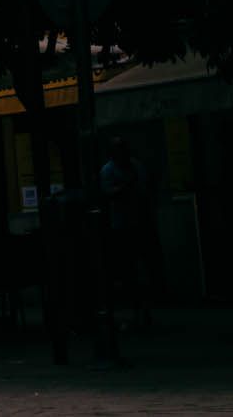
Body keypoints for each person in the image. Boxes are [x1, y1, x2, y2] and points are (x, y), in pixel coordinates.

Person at [99, 137, 153, 330]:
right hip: (121, 225)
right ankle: (137, 310)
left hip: (135, 223)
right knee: (129, 269)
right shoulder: (110, 170)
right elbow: (109, 193)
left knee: (139, 267)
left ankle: (142, 310)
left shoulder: (133, 167)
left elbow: (143, 191)